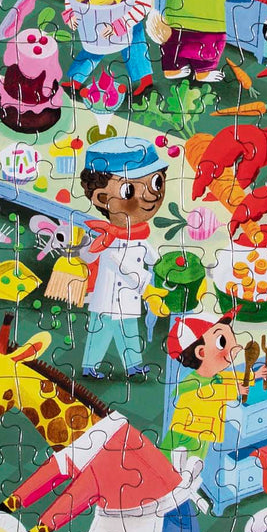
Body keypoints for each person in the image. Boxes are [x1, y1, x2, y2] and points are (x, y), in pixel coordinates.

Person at [75, 138, 167, 380]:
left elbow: (149, 255)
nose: (149, 197)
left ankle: (133, 365)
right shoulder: (109, 240)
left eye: (156, 182)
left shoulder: (138, 234)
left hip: (128, 299)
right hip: (107, 297)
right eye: (130, 190)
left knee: (129, 332)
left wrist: (161, 262)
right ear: (101, 198)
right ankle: (90, 366)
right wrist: (147, 288)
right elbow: (122, 265)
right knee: (100, 331)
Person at [160, 315, 242, 460]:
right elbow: (207, 392)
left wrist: (254, 375)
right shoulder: (194, 381)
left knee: (197, 457)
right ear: (201, 352)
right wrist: (235, 390)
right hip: (186, 427)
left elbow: (231, 377)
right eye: (222, 342)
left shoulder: (215, 376)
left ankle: (189, 470)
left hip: (206, 428)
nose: (235, 347)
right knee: (170, 454)